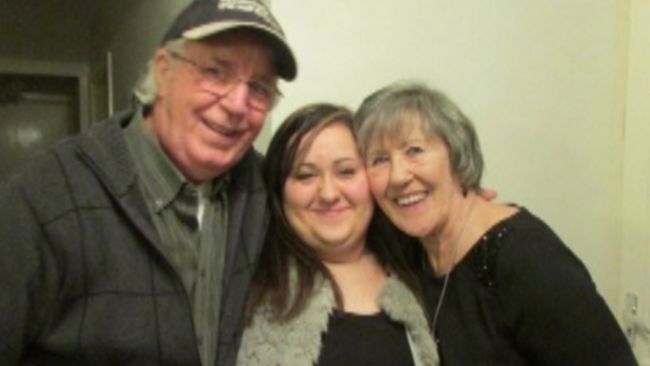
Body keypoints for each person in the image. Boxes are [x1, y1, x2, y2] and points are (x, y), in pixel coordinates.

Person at [0, 1, 297, 365]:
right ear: (163, 70)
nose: (238, 104)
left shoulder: (271, 193)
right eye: (217, 71)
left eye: (260, 88)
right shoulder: (44, 197)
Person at [352, 81, 638, 366]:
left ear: (456, 154)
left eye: (414, 150)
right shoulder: (412, 251)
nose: (398, 176)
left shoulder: (524, 257)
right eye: (379, 160)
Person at [236, 103, 439, 366]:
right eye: (306, 176)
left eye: (346, 171)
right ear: (279, 192)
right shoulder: (245, 280)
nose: (329, 194)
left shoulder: (422, 266)